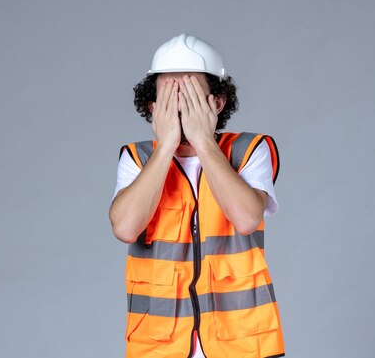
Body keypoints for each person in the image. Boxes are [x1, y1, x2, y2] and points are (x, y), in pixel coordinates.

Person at [108, 34, 285, 358]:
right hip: (158, 343)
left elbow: (246, 218)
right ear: (152, 105)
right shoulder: (137, 158)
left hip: (244, 341)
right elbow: (125, 228)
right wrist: (166, 148)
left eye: (190, 95)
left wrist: (203, 141)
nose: (180, 105)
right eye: (170, 96)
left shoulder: (249, 150)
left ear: (217, 102)